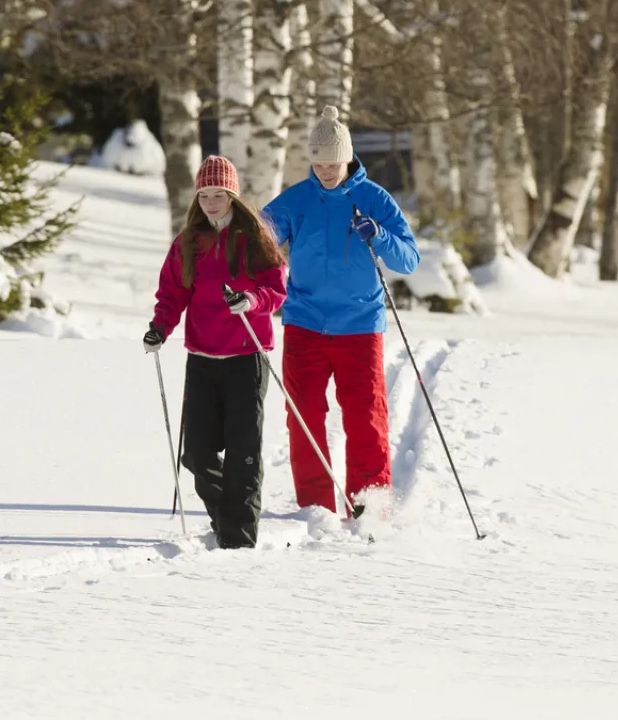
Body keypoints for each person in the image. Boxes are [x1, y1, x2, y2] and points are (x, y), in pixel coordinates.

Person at [262, 106, 420, 516]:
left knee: (366, 419)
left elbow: (408, 260)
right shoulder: (296, 200)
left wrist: (380, 234)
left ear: (348, 158)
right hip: (305, 323)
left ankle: (369, 504)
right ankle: (314, 507)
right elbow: (259, 240)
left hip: (360, 326)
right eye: (318, 163)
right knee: (303, 419)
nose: (327, 171)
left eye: (334, 163)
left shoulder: (374, 199)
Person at [145, 155, 288, 549]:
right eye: (204, 194)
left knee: (243, 454)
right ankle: (227, 519)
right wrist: (160, 327)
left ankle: (238, 541)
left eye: (219, 194)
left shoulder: (254, 238)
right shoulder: (189, 242)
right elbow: (173, 292)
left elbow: (276, 289)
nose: (211, 202)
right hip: (203, 359)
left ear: (233, 195)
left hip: (246, 358)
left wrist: (251, 300)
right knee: (196, 453)